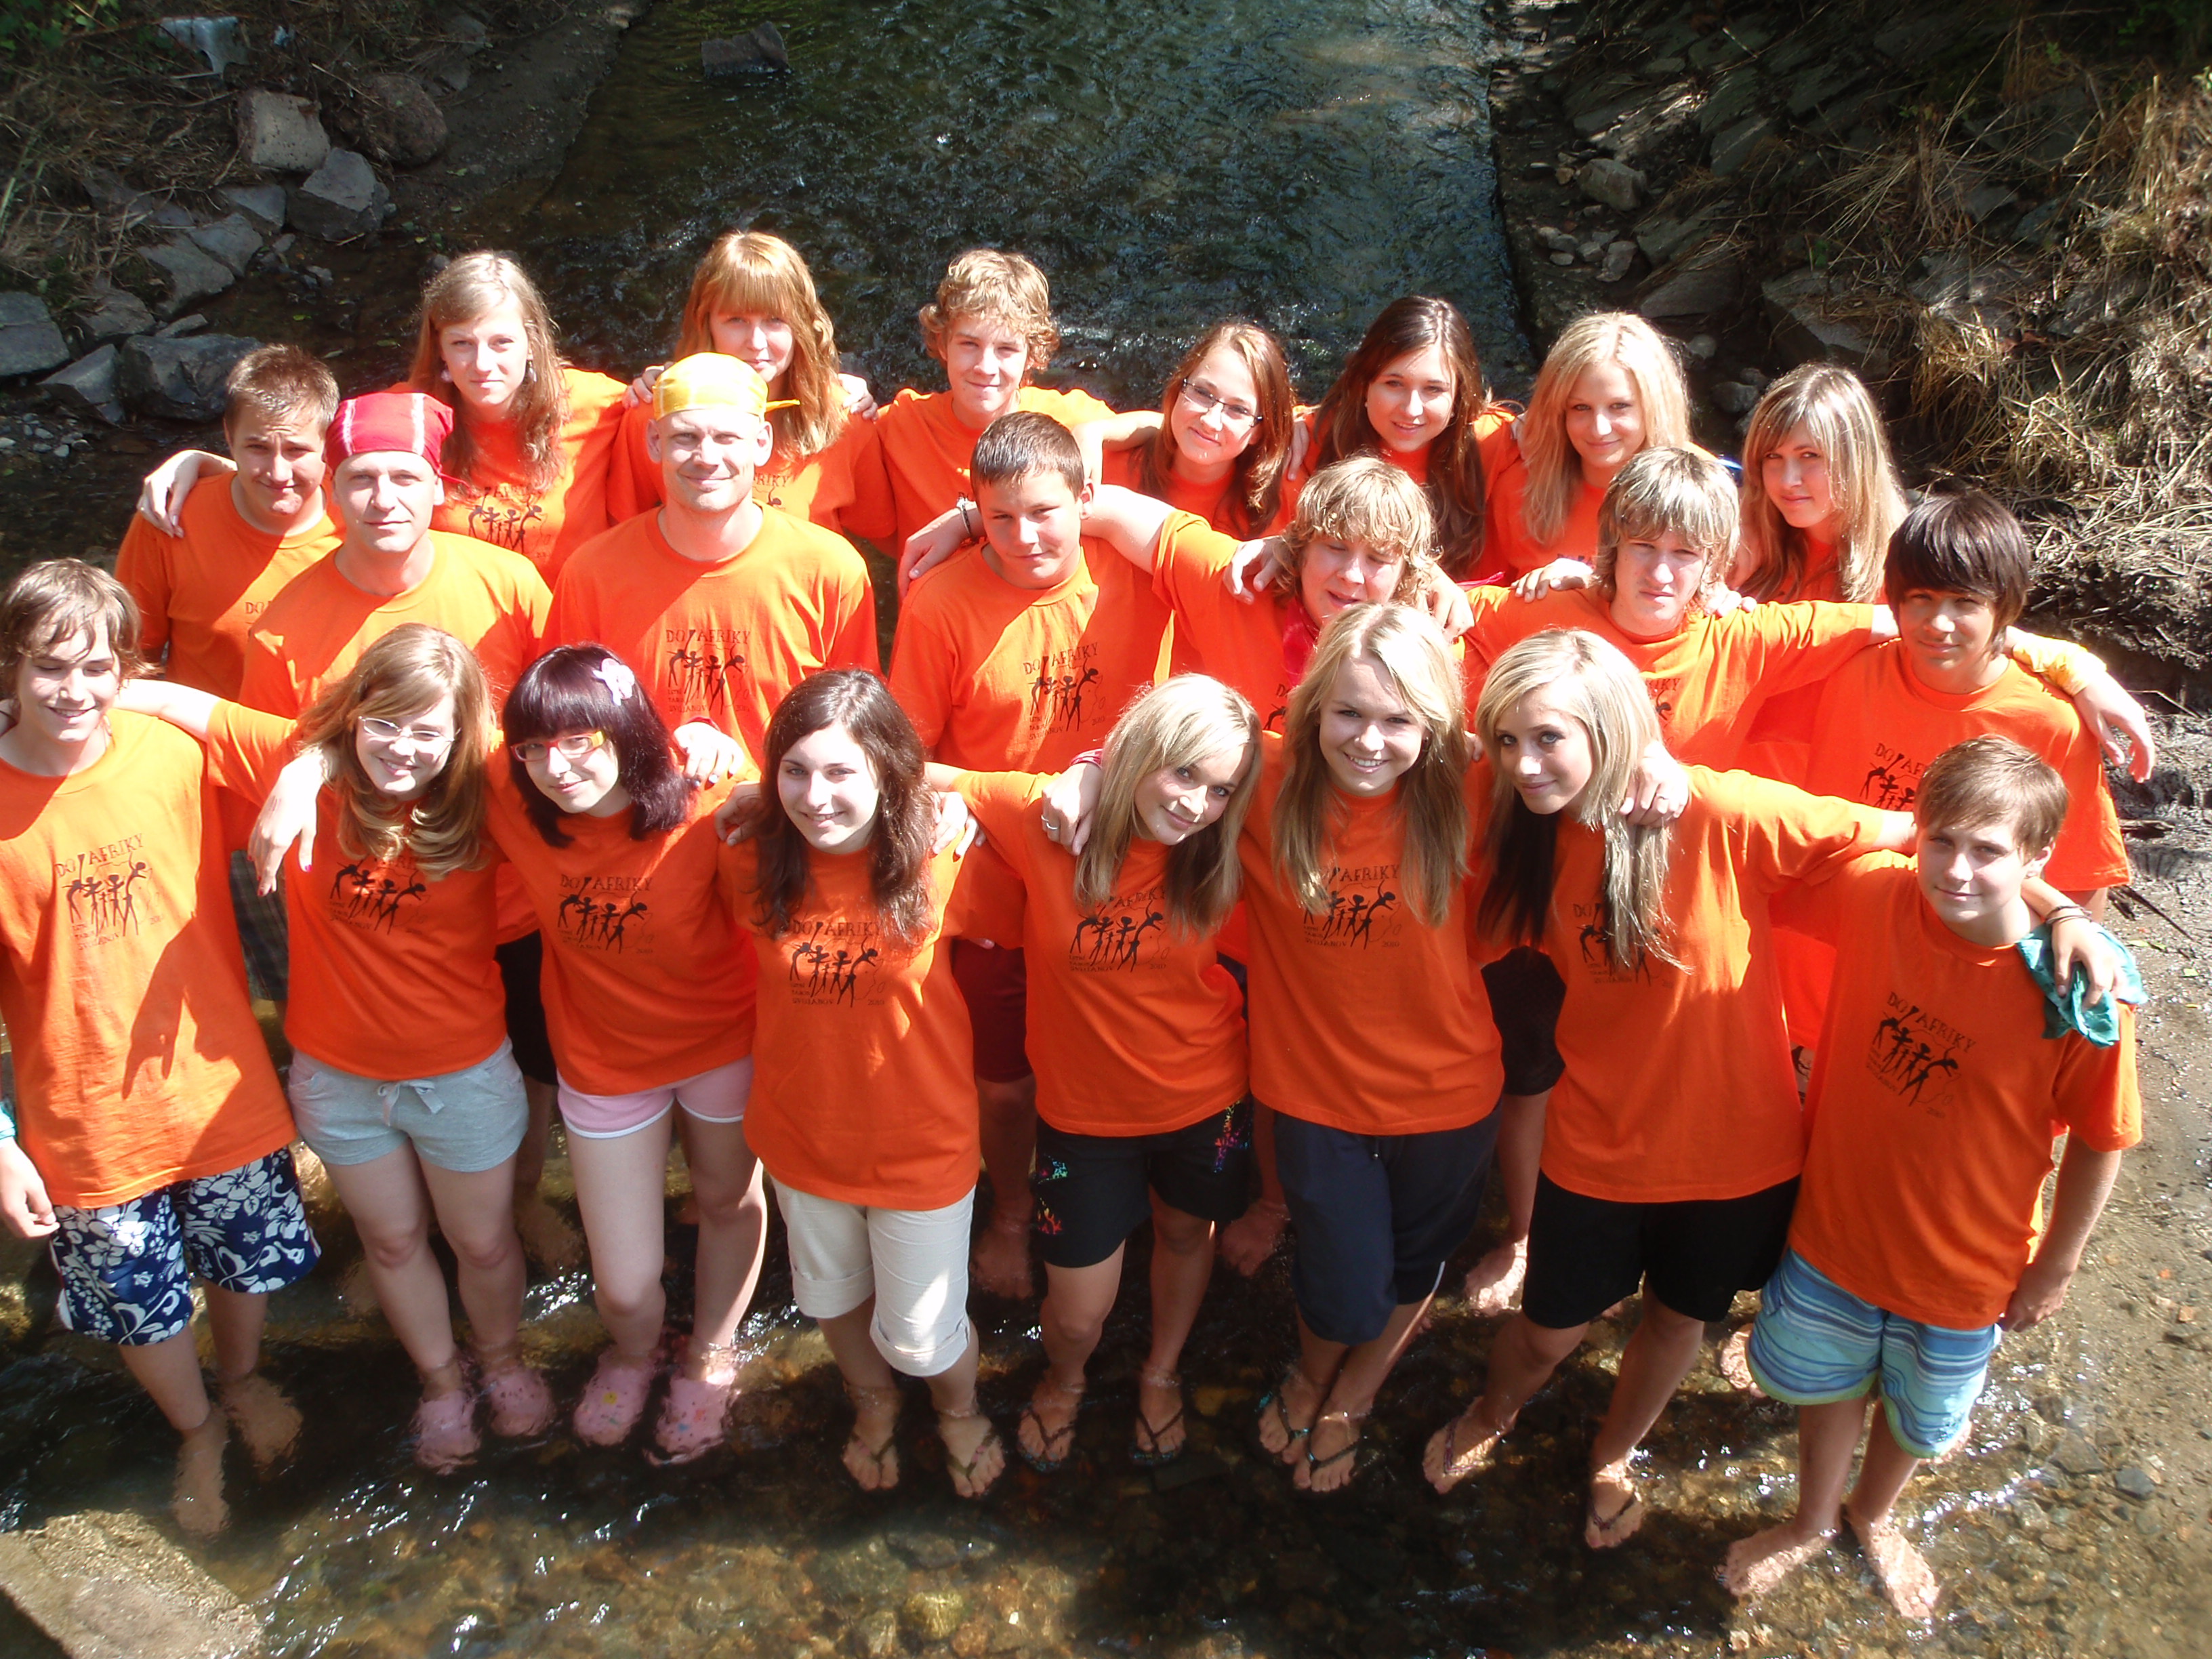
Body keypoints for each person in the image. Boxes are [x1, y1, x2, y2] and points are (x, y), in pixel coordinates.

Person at [1422, 630, 2111, 1540]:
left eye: (1548, 737)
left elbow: (1922, 838)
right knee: (1549, 1328)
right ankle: (1493, 1411)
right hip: (1598, 1145)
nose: (1524, 762)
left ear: (1611, 726)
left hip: (1738, 1157)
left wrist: (2060, 909)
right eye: (1508, 740)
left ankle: (1612, 1453)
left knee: (1677, 1323)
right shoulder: (1519, 822)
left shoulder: (1720, 810)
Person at [1722, 737, 2140, 1617]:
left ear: (2037, 857)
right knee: (1828, 1387)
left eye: (1988, 851)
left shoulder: (2077, 993)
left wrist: (2056, 1267)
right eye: (1940, 840)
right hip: (1836, 1231)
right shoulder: (1880, 895)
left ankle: (1872, 1514)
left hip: (1965, 1270)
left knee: (1917, 1418)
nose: (1955, 869)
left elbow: (2103, 1139)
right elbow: (1759, 852)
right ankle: (1811, 1519)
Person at [119, 626, 552, 1472]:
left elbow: (602, 778)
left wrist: (708, 748)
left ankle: (501, 1361)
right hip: (339, 1079)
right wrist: (22, 711)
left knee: (484, 1242)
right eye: (384, 723)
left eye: (427, 731)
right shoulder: (297, 759)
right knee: (390, 1242)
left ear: (462, 734)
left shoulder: (492, 788)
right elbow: (169, 699)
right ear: (352, 716)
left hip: (461, 1074)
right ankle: (439, 1381)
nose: (403, 748)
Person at [0, 561, 316, 1537]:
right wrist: (2, 1145)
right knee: (142, 1304)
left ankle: (242, 1380)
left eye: (98, 667)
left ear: (128, 670)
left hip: (219, 1086)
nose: (75, 691)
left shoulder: (171, 751)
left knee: (243, 1265)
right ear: (10, 667)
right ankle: (196, 1428)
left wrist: (296, 778)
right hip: (85, 1118)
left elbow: (332, 740)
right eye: (49, 667)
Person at [237, 389, 578, 1273]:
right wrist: (308, 766)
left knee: (528, 1066)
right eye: (360, 480)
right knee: (380, 1077)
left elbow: (563, 720)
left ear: (439, 486)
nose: (382, 499)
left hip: (506, 894)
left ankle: (517, 1200)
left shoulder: (507, 585)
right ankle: (396, 1232)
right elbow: (277, 749)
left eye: (403, 478)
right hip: (375, 908)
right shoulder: (284, 623)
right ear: (331, 490)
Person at [936, 676, 1261, 1469]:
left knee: (1183, 1234)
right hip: (1082, 1119)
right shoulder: (1043, 817)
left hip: (1205, 1099)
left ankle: (1161, 1370)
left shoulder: (1223, 841)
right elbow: (915, 772)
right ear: (1139, 752)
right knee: (1078, 1313)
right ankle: (1067, 1375)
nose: (1196, 804)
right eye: (1183, 773)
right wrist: (1087, 769)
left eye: (1220, 790)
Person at [888, 411, 1172, 1298]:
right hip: (996, 881)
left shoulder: (1138, 574)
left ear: (1087, 501)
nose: (1024, 538)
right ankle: (1013, 1209)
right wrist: (1020, 795)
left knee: (1120, 1054)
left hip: (1120, 872)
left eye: (1045, 513)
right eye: (999, 518)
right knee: (1006, 1082)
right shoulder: (941, 602)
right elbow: (901, 760)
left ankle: (1148, 1205)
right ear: (975, 511)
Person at [1229, 605, 1509, 1492]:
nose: (1370, 741)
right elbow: (1148, 758)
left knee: (1415, 1264)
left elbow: (1592, 759)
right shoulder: (1261, 778)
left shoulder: (1476, 788)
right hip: (1316, 1095)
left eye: (1399, 721)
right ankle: (1311, 1371)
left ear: (1435, 727)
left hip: (1449, 1094)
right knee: (1342, 1280)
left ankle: (1353, 1394)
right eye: (1349, 712)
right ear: (1312, 708)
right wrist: (1088, 779)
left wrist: (1652, 767)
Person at [720, 668, 1020, 1497]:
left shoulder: (945, 857)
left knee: (921, 1336)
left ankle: (957, 1407)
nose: (815, 797)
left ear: (889, 771)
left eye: (841, 772)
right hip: (800, 1137)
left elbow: (1037, 913)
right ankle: (873, 1403)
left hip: (921, 1147)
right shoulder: (749, 854)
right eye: (794, 771)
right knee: (832, 1299)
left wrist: (971, 810)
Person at [490, 645, 768, 1460]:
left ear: (628, 730)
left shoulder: (707, 796)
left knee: (727, 1201)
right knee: (623, 1283)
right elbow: (403, 733)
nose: (555, 767)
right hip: (603, 1061)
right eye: (534, 747)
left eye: (579, 741)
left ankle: (711, 1349)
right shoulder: (513, 798)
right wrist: (303, 775)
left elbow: (817, 813)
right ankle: (634, 1349)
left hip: (722, 1043)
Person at [1780, 485, 2133, 1059]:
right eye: (1920, 598)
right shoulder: (1845, 675)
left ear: (2005, 607)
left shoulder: (2051, 723)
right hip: (1815, 981)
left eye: (1965, 603)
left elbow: (2080, 872)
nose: (1938, 623)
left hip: (1941, 1004)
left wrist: (2060, 967)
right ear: (1894, 599)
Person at [135, 252, 630, 583]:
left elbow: (677, 439)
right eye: (462, 343)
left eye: (501, 342)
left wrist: (658, 383)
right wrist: (201, 463)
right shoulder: (401, 415)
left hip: (568, 641)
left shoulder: (601, 405)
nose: (482, 364)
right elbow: (309, 475)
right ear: (439, 347)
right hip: (455, 636)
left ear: (533, 342)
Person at [115, 344, 344, 1010]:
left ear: (329, 446)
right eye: (257, 449)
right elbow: (125, 662)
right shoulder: (173, 522)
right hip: (216, 803)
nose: (278, 472)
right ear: (227, 438)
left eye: (298, 451)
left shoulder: (364, 515)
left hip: (341, 794)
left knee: (349, 986)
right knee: (256, 992)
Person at [548, 353, 878, 777]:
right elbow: (562, 726)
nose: (706, 457)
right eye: (685, 437)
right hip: (642, 810)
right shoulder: (593, 573)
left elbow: (857, 733)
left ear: (762, 442)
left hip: (783, 812)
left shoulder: (831, 571)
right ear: (654, 441)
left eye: (727, 438)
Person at [606, 229, 882, 531]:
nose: (756, 342)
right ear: (706, 324)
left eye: (775, 320)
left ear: (802, 326)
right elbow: (624, 532)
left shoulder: (845, 415)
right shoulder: (654, 412)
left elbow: (877, 531)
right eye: (736, 320)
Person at [848, 247, 1114, 560]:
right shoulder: (902, 424)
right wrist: (842, 393)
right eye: (969, 344)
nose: (985, 367)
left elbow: (1162, 430)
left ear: (1032, 355)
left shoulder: (1071, 420)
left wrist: (1098, 432)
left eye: (1006, 349)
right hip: (937, 591)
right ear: (943, 343)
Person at [1729, 363, 1909, 782]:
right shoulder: (1741, 545)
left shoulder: (1906, 566)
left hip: (1833, 803)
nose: (1787, 480)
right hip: (1723, 789)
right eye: (1773, 458)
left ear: (1855, 458)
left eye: (1809, 456)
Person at [1297, 295, 1517, 582]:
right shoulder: (1321, 435)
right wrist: (1287, 425)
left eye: (1434, 389)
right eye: (1394, 384)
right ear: (1364, 384)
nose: (1412, 410)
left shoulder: (1491, 441)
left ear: (1459, 396)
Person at [1485, 312, 1693, 585]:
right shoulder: (1518, 491)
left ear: (1654, 406)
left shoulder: (1700, 490)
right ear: (1559, 411)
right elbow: (1481, 599)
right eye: (1581, 407)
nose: (1599, 429)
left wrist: (1591, 586)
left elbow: (1711, 602)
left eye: (1619, 406)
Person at [1071, 319, 1298, 537]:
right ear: (1180, 386)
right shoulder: (1099, 461)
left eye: (1238, 409)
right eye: (1202, 393)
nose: (1211, 421)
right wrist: (1089, 433)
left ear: (1260, 429)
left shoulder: (1282, 507)